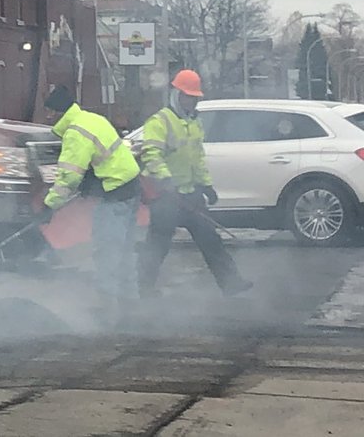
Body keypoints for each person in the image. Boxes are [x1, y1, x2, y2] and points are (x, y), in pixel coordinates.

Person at [137, 70, 252, 297]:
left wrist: (206, 185)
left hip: (190, 193)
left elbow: (197, 158)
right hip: (166, 196)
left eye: (194, 97)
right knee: (157, 245)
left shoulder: (194, 122)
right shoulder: (160, 121)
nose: (191, 101)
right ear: (176, 94)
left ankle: (231, 283)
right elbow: (151, 154)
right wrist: (164, 177)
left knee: (211, 239)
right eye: (188, 96)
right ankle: (141, 288)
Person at [40, 84, 141, 320]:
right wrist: (91, 178)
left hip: (115, 194)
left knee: (107, 251)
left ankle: (108, 310)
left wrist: (49, 205)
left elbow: (68, 178)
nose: (48, 118)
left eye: (49, 112)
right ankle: (130, 305)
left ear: (57, 112)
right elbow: (104, 155)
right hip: (130, 187)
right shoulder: (92, 118)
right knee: (125, 251)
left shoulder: (75, 132)